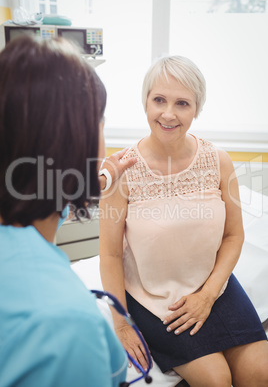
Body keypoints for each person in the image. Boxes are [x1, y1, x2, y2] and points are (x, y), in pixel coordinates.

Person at [99, 55, 268, 386]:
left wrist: (207, 295)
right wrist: (120, 321)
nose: (168, 113)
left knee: (260, 372)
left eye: (182, 103)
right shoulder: (123, 170)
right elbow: (110, 253)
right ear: (145, 102)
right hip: (154, 297)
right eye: (159, 100)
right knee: (216, 379)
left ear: (196, 109)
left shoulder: (218, 161)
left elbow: (234, 236)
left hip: (213, 287)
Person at [0, 35, 135, 387]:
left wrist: (98, 177)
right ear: (77, 138)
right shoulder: (64, 322)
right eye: (101, 123)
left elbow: (42, 195)